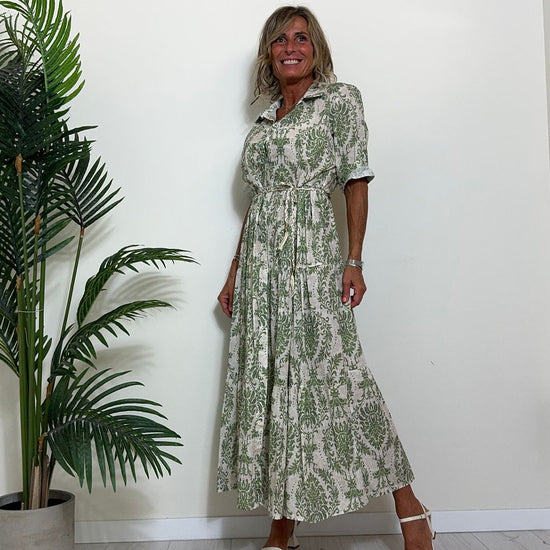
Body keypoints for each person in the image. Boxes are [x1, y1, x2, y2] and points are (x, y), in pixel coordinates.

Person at [217, 6, 436, 550]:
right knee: (277, 386)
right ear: (269, 53)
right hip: (263, 269)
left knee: (340, 380)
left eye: (301, 38)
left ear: (316, 48)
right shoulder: (265, 121)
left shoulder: (339, 101)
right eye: (279, 40)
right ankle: (281, 528)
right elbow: (258, 203)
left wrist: (354, 260)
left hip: (313, 260)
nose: (290, 47)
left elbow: (356, 180)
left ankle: (410, 506)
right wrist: (235, 269)